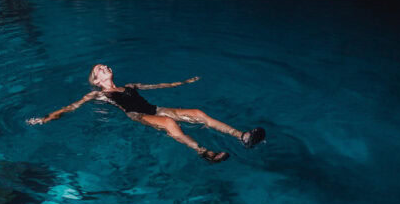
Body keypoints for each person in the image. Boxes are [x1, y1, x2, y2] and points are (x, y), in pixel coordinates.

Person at [26, 63, 265, 163]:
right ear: (97, 80)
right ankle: (205, 153)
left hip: (154, 108)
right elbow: (71, 107)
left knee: (198, 113)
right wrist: (45, 119)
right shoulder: (97, 95)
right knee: (171, 125)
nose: (105, 67)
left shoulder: (130, 86)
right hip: (137, 115)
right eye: (100, 69)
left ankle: (242, 136)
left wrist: (183, 82)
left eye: (105, 66)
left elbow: (159, 86)